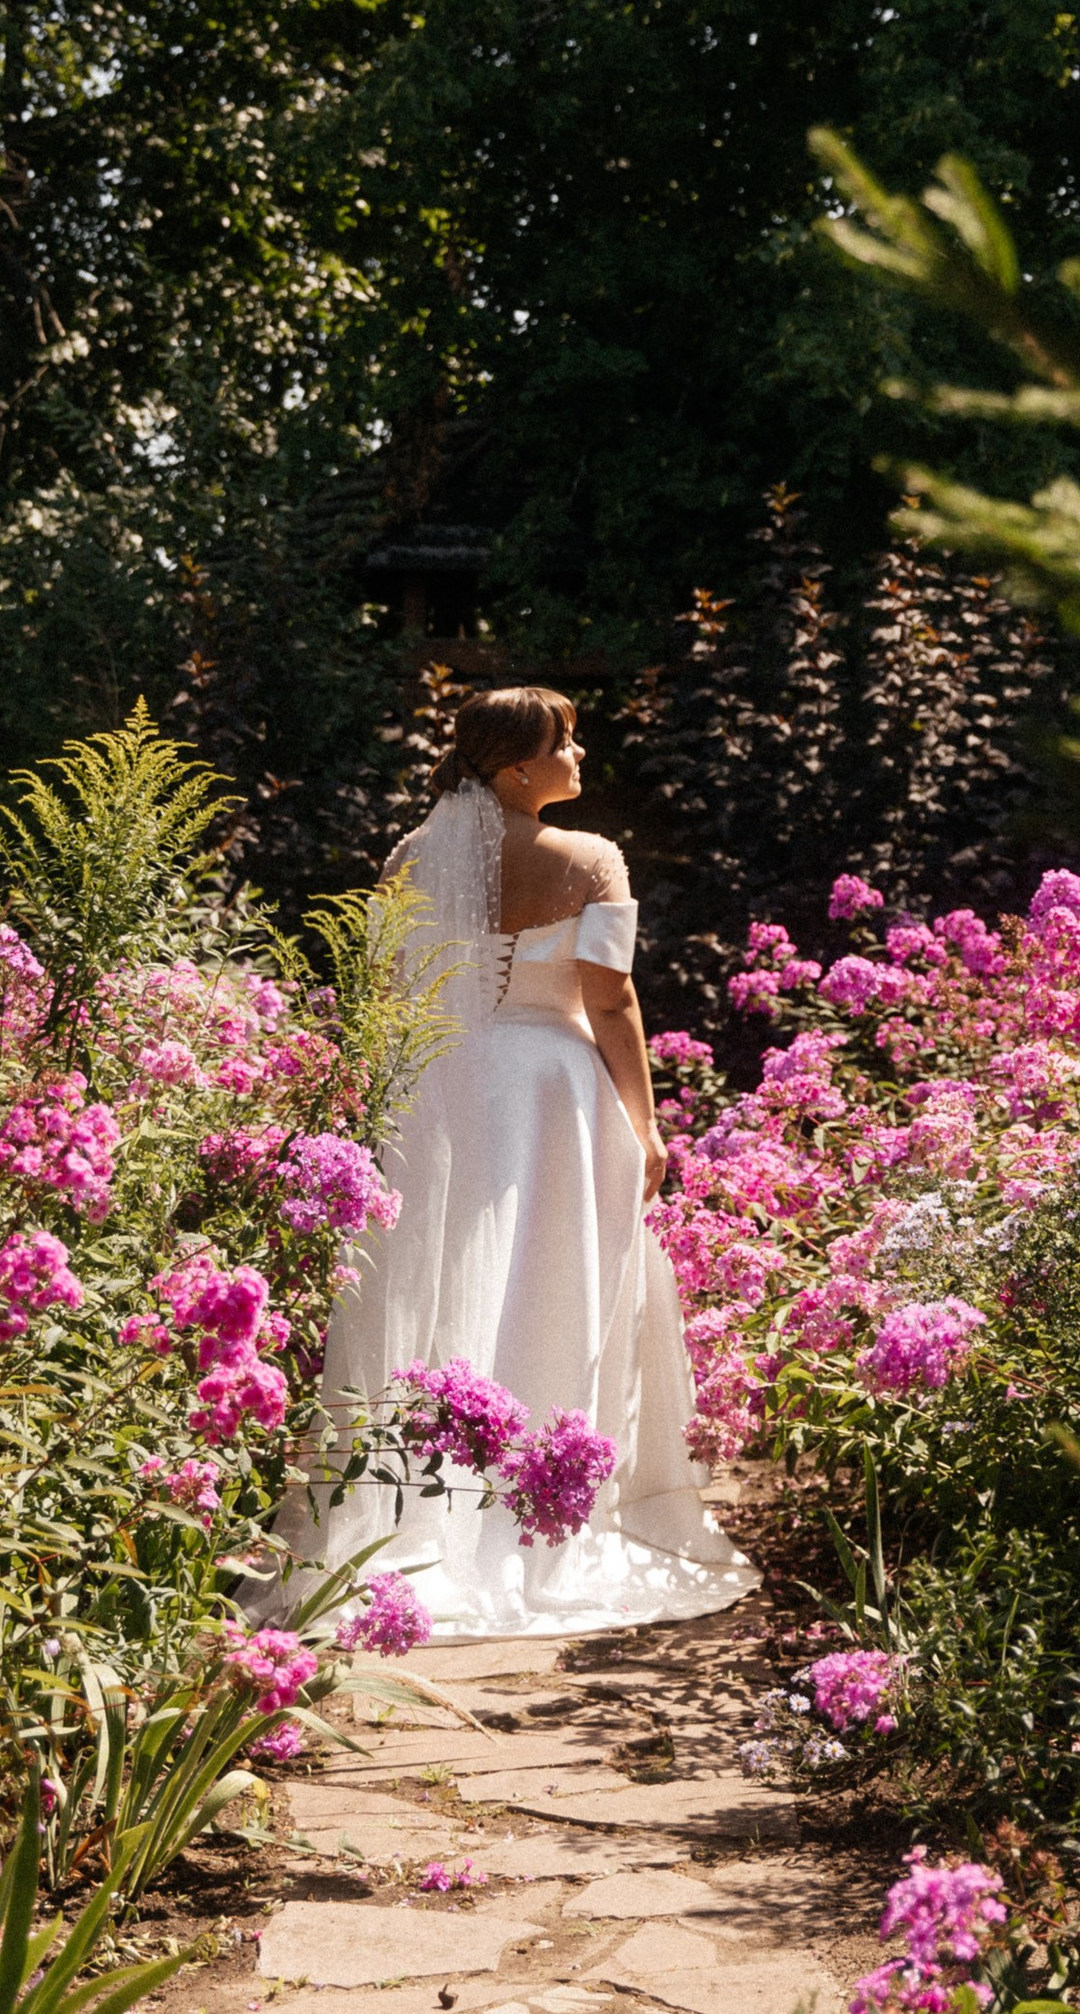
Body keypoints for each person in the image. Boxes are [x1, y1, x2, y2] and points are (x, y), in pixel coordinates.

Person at [284, 685, 754, 1636]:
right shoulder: (589, 859)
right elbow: (611, 1000)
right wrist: (647, 1125)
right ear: (516, 768)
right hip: (552, 1093)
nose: (580, 755)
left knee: (440, 1283)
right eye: (565, 742)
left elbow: (386, 986)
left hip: (440, 1090)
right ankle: (546, 1507)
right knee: (554, 1284)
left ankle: (420, 1509)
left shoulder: (412, 857)